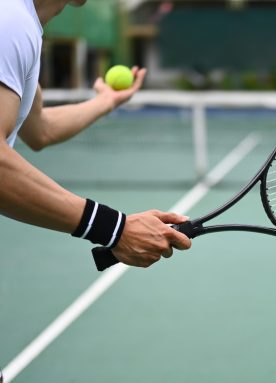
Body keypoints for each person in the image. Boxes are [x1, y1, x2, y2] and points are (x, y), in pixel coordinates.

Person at [0, 0, 191, 268]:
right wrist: (114, 228)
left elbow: (41, 129)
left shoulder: (22, 24)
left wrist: (106, 102)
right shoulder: (10, 23)